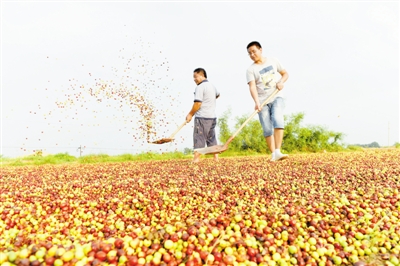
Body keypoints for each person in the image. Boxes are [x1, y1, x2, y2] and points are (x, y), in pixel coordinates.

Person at [246, 41, 289, 161]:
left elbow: (285, 74)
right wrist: (256, 102)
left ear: (260, 50)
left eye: (254, 51)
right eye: (249, 53)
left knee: (277, 119)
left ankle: (278, 151)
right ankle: (274, 154)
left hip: (276, 96)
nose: (252, 55)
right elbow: (252, 86)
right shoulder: (251, 70)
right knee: (267, 128)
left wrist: (281, 82)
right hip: (262, 101)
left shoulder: (273, 61)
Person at [186, 68, 220, 163]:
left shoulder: (200, 87)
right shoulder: (212, 86)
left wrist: (190, 114)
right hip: (212, 117)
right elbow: (217, 95)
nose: (194, 79)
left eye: (195, 77)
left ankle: (196, 159)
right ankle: (216, 158)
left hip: (202, 117)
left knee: (199, 137)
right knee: (211, 137)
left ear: (202, 76)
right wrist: (209, 100)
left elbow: (197, 103)